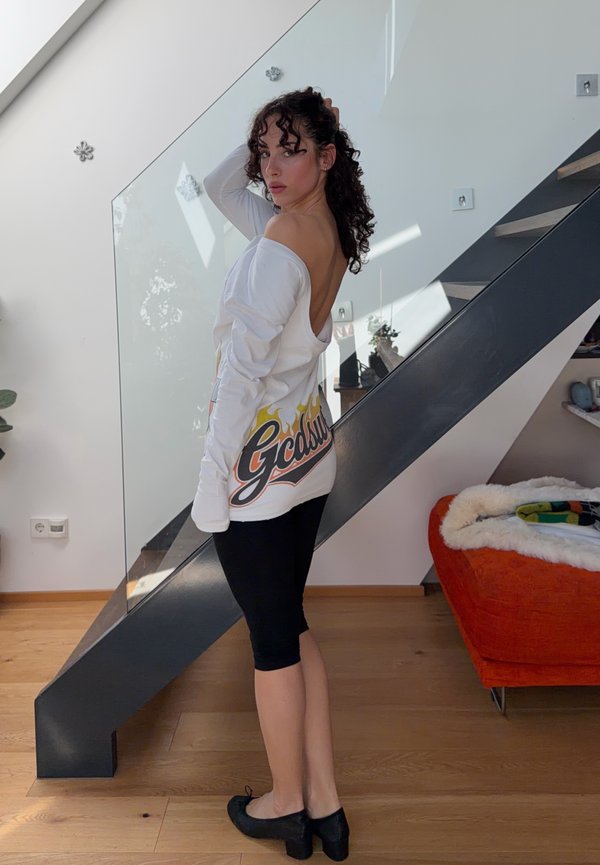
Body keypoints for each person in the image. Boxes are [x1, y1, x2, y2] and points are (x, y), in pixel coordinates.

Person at [191, 87, 375, 860]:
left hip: (260, 485)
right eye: (263, 148)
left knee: (272, 645)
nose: (267, 165)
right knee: (293, 628)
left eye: (289, 149)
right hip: (307, 466)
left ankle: (286, 802)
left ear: (327, 158)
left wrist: (211, 486)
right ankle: (326, 803)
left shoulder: (276, 249)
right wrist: (294, 119)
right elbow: (218, 186)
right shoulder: (319, 229)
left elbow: (238, 382)